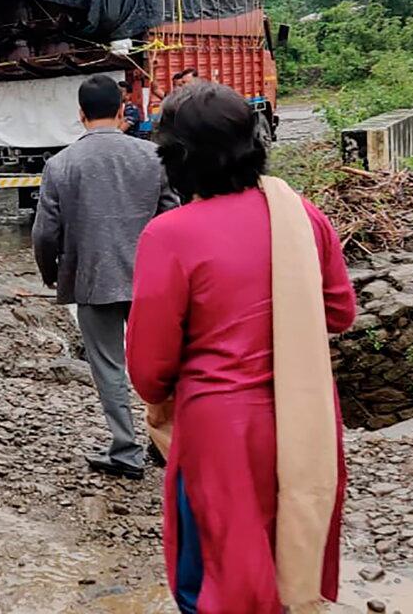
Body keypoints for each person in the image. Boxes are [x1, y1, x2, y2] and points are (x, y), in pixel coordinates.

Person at [125, 82, 356, 613]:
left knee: (211, 580)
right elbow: (340, 312)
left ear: (175, 159)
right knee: (288, 569)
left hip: (220, 435)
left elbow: (148, 367)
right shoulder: (302, 216)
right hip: (308, 425)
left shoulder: (170, 235)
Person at [32, 74, 179, 480]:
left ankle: (126, 450)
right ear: (121, 110)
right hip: (150, 280)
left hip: (93, 280)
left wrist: (51, 273)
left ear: (80, 115)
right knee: (163, 363)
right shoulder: (153, 157)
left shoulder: (60, 165)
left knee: (109, 366)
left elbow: (45, 231)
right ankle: (170, 443)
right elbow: (172, 216)